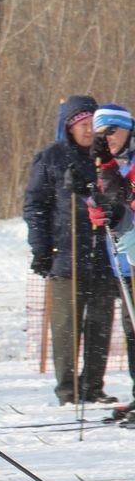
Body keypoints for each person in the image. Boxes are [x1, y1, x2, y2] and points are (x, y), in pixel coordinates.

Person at [23, 94, 116, 406]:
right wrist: (41, 249)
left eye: (94, 124)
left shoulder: (107, 157)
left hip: (104, 256)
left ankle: (93, 386)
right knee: (66, 326)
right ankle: (68, 388)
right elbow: (36, 206)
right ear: (71, 127)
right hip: (66, 255)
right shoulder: (51, 157)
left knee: (99, 324)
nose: (89, 130)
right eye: (83, 124)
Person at [87, 103, 135, 417]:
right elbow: (104, 215)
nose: (109, 139)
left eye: (113, 131)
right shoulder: (112, 165)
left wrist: (121, 210)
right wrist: (98, 206)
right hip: (126, 260)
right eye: (102, 135)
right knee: (132, 330)